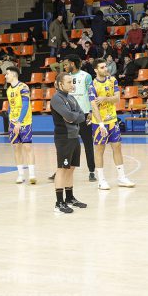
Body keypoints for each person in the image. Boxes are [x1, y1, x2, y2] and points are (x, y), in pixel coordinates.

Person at [47, 56, 96, 182]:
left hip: (83, 113)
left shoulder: (86, 76)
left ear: (73, 64)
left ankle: (91, 171)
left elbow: (91, 94)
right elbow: (54, 67)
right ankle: (60, 170)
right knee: (66, 146)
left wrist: (91, 111)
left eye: (66, 64)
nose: (65, 66)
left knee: (88, 144)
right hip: (68, 113)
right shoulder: (65, 77)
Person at [88, 59, 136, 189]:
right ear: (96, 70)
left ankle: (121, 178)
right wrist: (101, 124)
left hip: (113, 120)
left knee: (117, 147)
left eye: (105, 66)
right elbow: (94, 107)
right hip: (99, 123)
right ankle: (101, 180)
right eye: (102, 67)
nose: (105, 69)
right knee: (99, 150)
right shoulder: (92, 86)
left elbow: (117, 98)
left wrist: (105, 99)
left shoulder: (112, 80)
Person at [49, 72, 89, 214]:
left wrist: (75, 117)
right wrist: (75, 116)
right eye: (69, 82)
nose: (72, 85)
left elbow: (80, 115)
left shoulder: (71, 98)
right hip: (63, 137)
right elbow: (69, 116)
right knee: (62, 169)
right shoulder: (56, 99)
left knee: (71, 168)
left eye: (73, 82)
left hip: (74, 136)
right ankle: (59, 203)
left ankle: (69, 198)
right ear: (60, 84)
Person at [3, 66, 36, 184]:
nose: (5, 76)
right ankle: (20, 175)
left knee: (27, 147)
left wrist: (19, 122)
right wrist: (10, 123)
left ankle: (32, 175)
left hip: (25, 122)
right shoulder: (8, 90)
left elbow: (25, 106)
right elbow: (11, 107)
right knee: (16, 148)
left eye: (7, 74)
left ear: (13, 74)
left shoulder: (23, 87)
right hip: (13, 122)